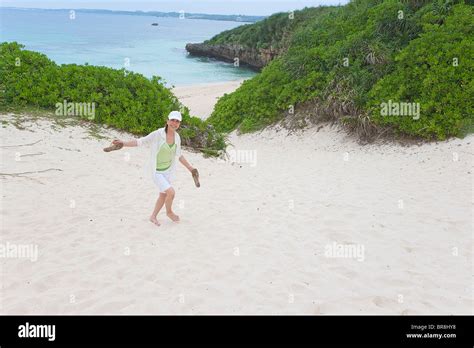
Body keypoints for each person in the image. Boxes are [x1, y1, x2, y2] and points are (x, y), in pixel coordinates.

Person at [111, 111, 196, 226]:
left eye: (177, 121)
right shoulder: (158, 134)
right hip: (157, 171)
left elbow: (179, 155)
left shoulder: (177, 137)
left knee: (163, 195)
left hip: (168, 171)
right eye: (172, 120)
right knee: (171, 192)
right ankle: (169, 212)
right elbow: (140, 142)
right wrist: (123, 143)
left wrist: (190, 168)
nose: (174, 123)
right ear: (167, 121)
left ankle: (153, 216)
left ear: (179, 124)